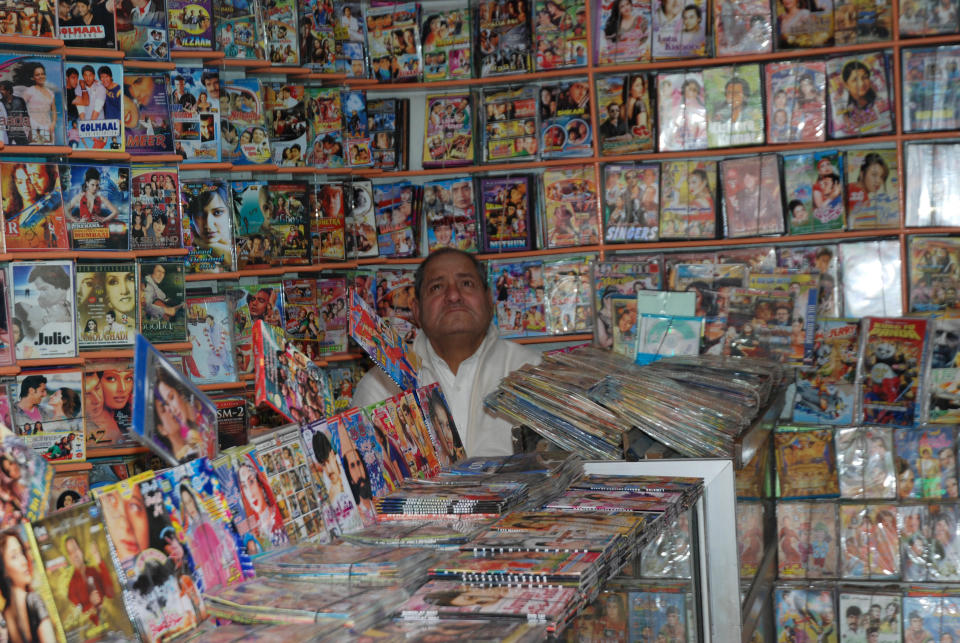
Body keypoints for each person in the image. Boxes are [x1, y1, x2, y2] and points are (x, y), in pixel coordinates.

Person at [353, 249, 542, 457]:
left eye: (467, 284)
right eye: (436, 287)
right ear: (416, 310)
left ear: (490, 301)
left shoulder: (533, 371)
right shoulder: (381, 386)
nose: (453, 296)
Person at [178, 484, 239, 589]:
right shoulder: (191, 529)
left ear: (194, 500)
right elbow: (199, 560)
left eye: (190, 501)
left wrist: (226, 562)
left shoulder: (207, 518)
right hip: (211, 578)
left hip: (225, 569)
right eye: (185, 504)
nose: (189, 506)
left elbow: (223, 540)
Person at [0, 531, 57, 643]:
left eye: (22, 552)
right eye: (14, 556)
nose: (24, 561)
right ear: (3, 569)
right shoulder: (34, 601)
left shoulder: (4, 616)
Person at [64, 536, 114, 625]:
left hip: (109, 622)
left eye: (75, 549)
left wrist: (99, 560)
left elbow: (110, 593)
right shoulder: (71, 586)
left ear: (81, 550)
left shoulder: (94, 571)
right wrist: (91, 605)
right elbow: (77, 617)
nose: (74, 555)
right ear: (69, 558)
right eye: (70, 552)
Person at [21, 63, 55, 144]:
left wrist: (53, 123)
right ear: (33, 77)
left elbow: (54, 110)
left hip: (48, 128)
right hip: (34, 127)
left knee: (49, 151)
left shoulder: (50, 93)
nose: (41, 76)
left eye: (42, 74)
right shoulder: (29, 91)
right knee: (35, 150)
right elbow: (19, 108)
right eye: (37, 75)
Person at [0, 80, 30, 144]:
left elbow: (26, 116)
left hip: (18, 131)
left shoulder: (19, 100)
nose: (0, 92)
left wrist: (30, 133)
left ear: (9, 90)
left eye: (2, 90)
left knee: (26, 149)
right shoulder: (0, 103)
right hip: (6, 133)